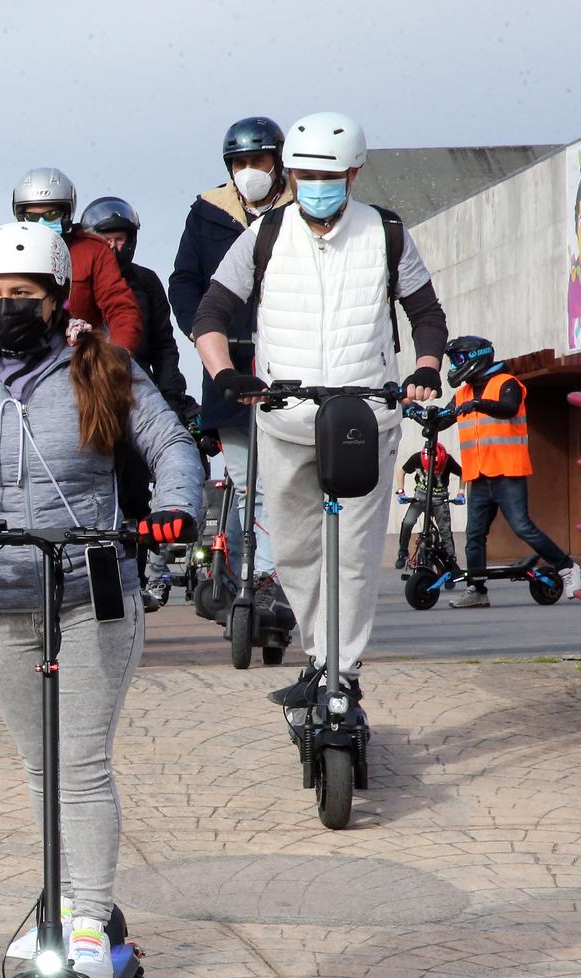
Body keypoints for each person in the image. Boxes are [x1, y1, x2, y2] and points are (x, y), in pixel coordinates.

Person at [0, 222, 202, 978]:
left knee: (81, 763)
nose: (3, 308)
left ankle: (87, 918)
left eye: (21, 296)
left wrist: (176, 508)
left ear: (57, 299)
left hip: (93, 586)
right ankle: (55, 904)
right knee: (38, 764)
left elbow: (171, 445)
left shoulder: (104, 364)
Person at [191, 112, 450, 707]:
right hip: (285, 417)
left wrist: (426, 368)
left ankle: (344, 671)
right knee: (297, 551)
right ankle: (319, 658)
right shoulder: (263, 235)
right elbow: (210, 312)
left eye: (327, 173)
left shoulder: (385, 232)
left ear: (354, 172)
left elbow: (426, 313)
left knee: (354, 555)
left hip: (366, 418)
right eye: (302, 173)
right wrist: (226, 373)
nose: (314, 183)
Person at [169, 116, 296, 590]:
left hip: (290, 367)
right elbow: (184, 281)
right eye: (239, 163)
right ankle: (255, 581)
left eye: (257, 161)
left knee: (285, 486)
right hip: (228, 371)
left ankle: (276, 577)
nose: (249, 171)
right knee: (247, 485)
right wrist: (204, 334)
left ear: (277, 162)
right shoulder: (207, 212)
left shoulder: (300, 209)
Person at [80, 195, 201, 611]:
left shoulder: (147, 282)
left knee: (136, 493)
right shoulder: (77, 283)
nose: (114, 248)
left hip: (137, 398)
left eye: (121, 239)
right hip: (87, 402)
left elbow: (166, 348)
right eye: (105, 239)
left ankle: (148, 572)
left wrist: (174, 400)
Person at [442, 335, 581, 605]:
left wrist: (479, 405)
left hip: (507, 472)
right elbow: (444, 419)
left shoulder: (507, 384)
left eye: (458, 359)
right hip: (479, 475)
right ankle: (477, 591)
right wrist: (423, 415)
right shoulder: (463, 393)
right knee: (474, 536)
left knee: (522, 527)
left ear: (476, 358)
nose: (454, 365)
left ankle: (568, 568)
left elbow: (507, 409)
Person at [0, 168, 142, 353]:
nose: (42, 221)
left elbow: (121, 308)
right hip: (13, 355)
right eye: (33, 217)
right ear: (21, 217)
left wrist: (118, 355)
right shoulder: (4, 249)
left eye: (51, 215)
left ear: (66, 214)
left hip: (77, 358)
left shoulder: (93, 251)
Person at [395, 436, 461, 573]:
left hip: (440, 498)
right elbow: (401, 472)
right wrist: (401, 492)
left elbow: (463, 473)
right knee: (408, 522)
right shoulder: (417, 458)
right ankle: (403, 551)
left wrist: (461, 493)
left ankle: (450, 562)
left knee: (445, 531)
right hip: (420, 496)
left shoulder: (448, 460)